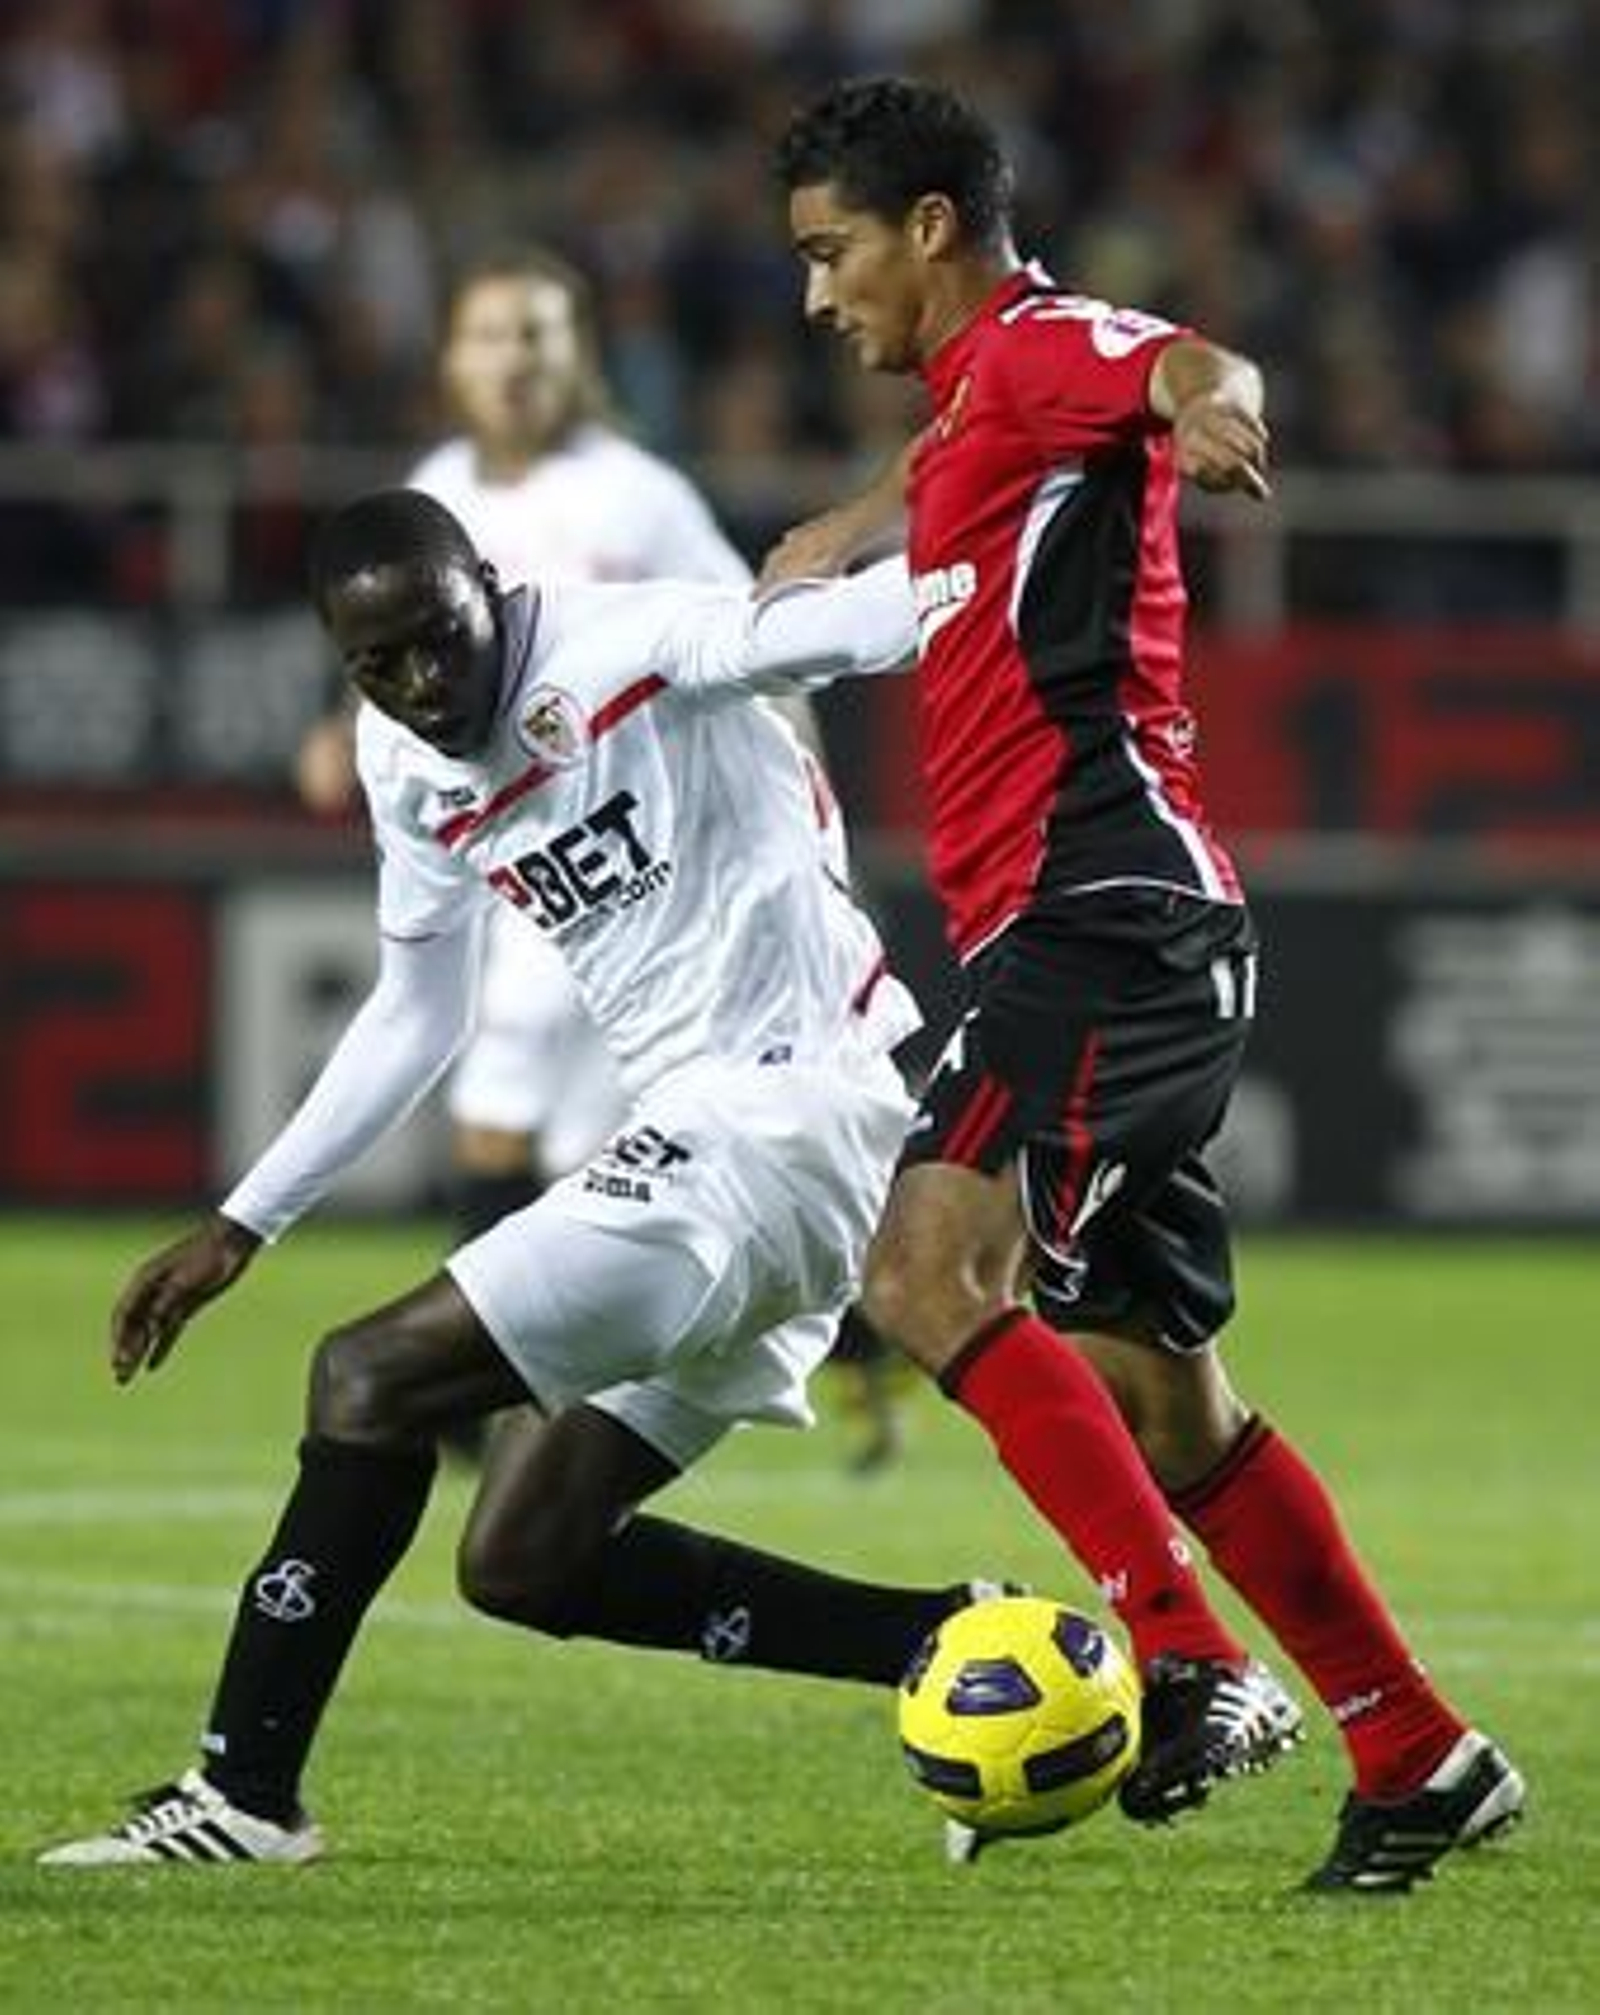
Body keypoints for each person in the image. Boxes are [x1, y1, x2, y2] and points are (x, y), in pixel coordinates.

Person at [772, 75, 1525, 1892]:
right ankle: (1419, 1752)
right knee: (1163, 1396)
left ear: (933, 227)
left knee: (925, 1266)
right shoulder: (974, 398)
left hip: (1105, 910)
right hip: (1084, 923)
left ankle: (1185, 1669)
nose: (814, 296)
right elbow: (971, 432)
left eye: (832, 251)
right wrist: (845, 532)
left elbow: (1189, 362)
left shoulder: (1040, 345)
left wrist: (1218, 416)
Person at [38, 487, 997, 1868]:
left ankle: (245, 1788)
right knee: (527, 1556)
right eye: (380, 663)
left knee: (366, 1377)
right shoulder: (404, 759)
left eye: (441, 637)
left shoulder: (631, 642)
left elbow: (867, 625)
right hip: (746, 1154)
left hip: (780, 1117)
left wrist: (1036, 521)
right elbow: (420, 1011)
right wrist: (246, 1219)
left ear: (490, 584)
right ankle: (949, 1636)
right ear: (342, 661)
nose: (424, 684)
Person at [297, 248, 906, 1473]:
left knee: (617, 1147)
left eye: (535, 336)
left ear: (574, 352)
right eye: (488, 337)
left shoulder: (637, 496)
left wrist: (799, 819)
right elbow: (399, 652)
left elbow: (756, 646)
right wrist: (335, 730)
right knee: (494, 1119)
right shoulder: (435, 487)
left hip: (651, 861)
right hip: (522, 862)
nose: (512, 362)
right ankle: (491, 1406)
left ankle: (839, 1325)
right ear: (452, 359)